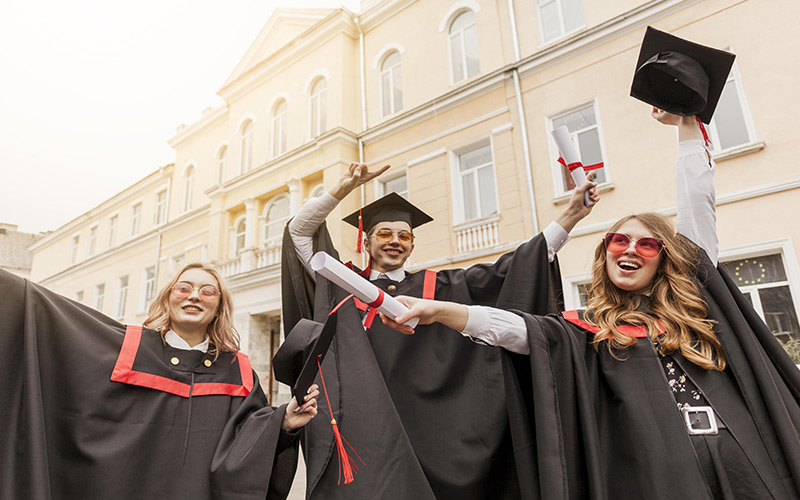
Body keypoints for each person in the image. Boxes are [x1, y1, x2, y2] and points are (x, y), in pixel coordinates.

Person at [381, 111, 800, 499]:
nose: (630, 249)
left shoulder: (697, 306)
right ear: (607, 253)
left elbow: (697, 209)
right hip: (660, 478)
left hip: (743, 459)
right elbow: (515, 329)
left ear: (665, 257)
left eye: (647, 243)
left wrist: (686, 124)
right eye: (619, 240)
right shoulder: (588, 328)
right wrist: (439, 310)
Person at [280, 161, 599, 499]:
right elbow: (300, 231)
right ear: (366, 240)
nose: (395, 242)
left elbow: (513, 268)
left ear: (412, 246)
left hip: (430, 432)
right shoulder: (342, 282)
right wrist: (341, 188)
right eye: (385, 234)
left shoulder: (441, 286)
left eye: (404, 236)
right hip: (362, 428)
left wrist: (571, 216)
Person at [0, 262, 319, 500]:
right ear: (168, 298)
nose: (194, 296)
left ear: (218, 306)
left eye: (207, 291)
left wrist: (284, 421)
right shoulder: (127, 347)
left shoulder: (237, 370)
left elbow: (250, 437)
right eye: (184, 288)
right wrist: (12, 291)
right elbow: (54, 319)